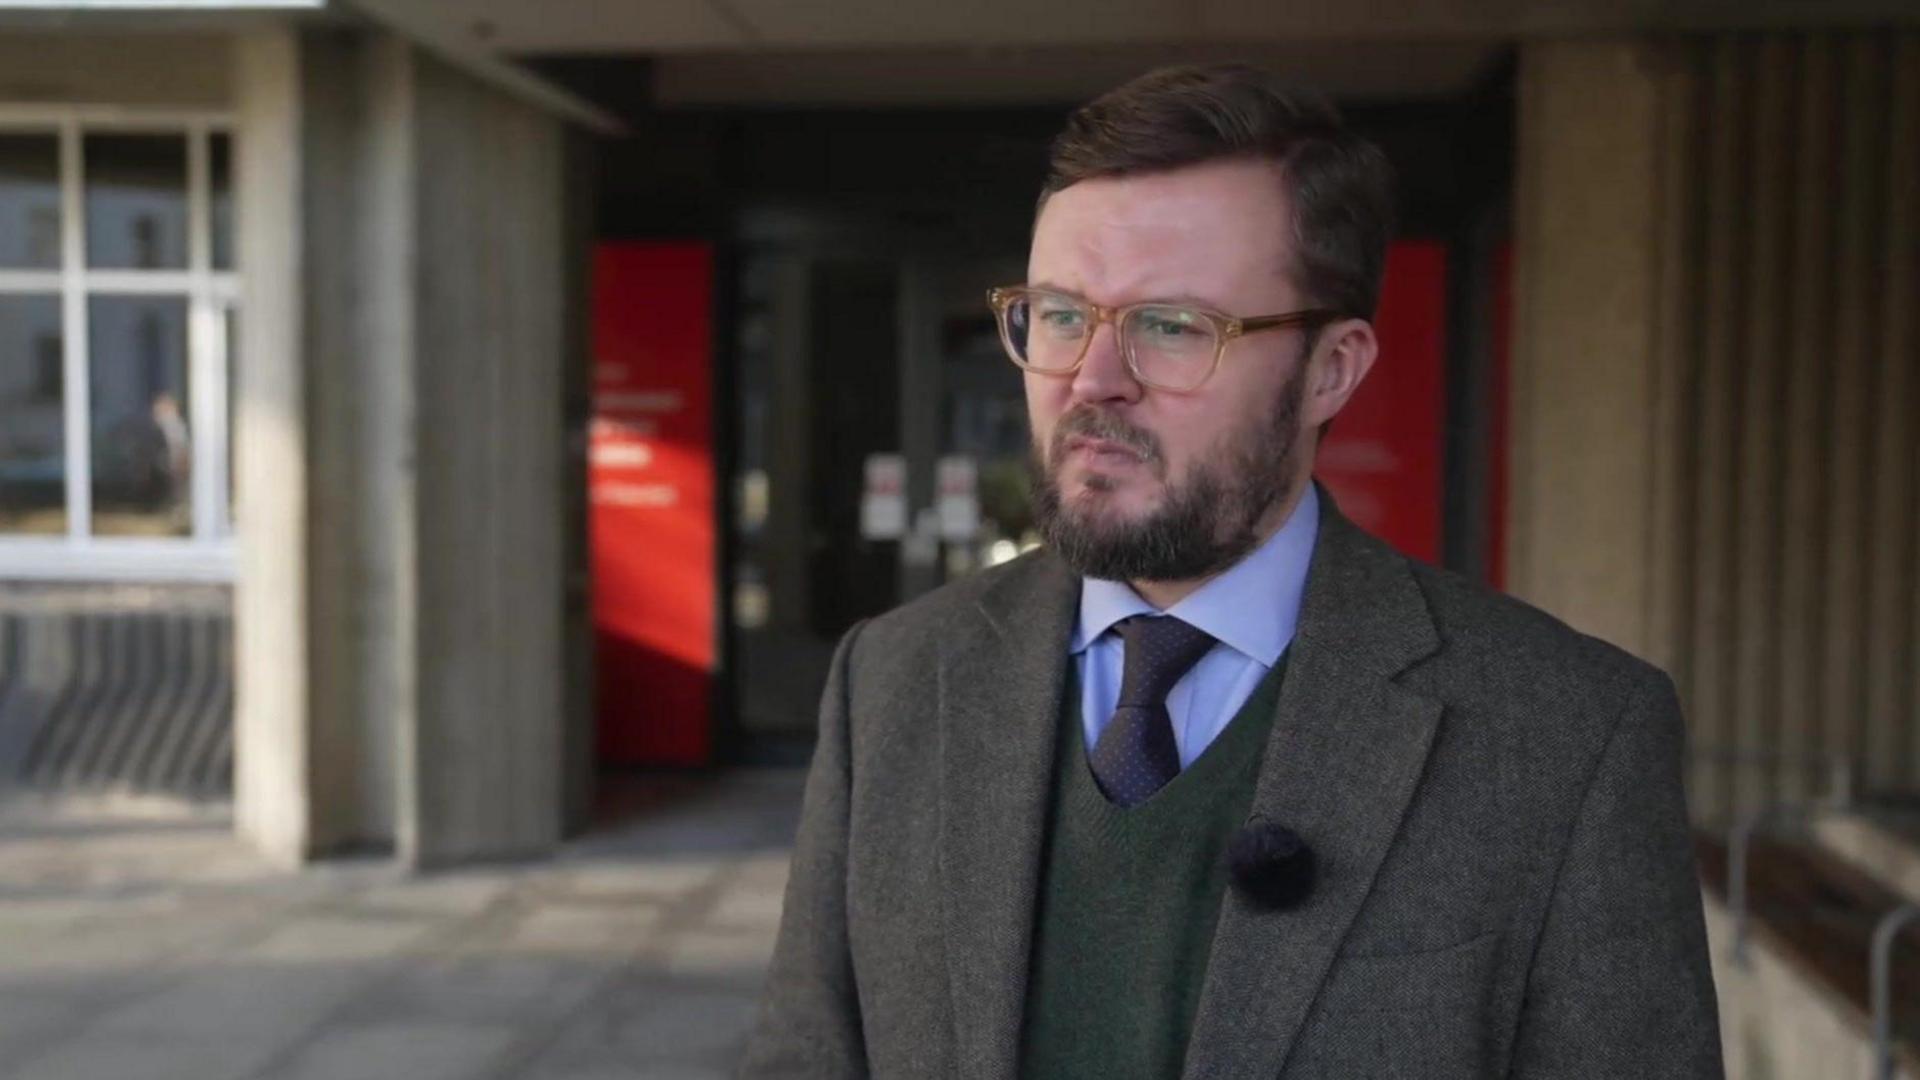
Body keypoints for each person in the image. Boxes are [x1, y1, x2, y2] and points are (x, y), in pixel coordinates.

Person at [740, 62, 1723, 1079]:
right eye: (1061, 314)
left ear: (1331, 369)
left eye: (1173, 326)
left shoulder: (1568, 734)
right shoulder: (893, 677)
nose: (1092, 381)